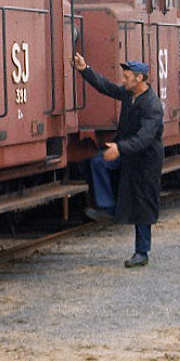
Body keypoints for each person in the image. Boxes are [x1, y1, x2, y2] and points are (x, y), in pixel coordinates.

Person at [71, 53, 164, 268]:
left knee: (143, 204)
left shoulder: (152, 105)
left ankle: (142, 252)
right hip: (125, 152)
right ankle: (107, 207)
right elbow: (106, 87)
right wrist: (85, 69)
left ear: (140, 78)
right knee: (97, 163)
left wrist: (119, 148)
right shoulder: (128, 94)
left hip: (145, 160)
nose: (123, 80)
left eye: (127, 76)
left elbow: (145, 138)